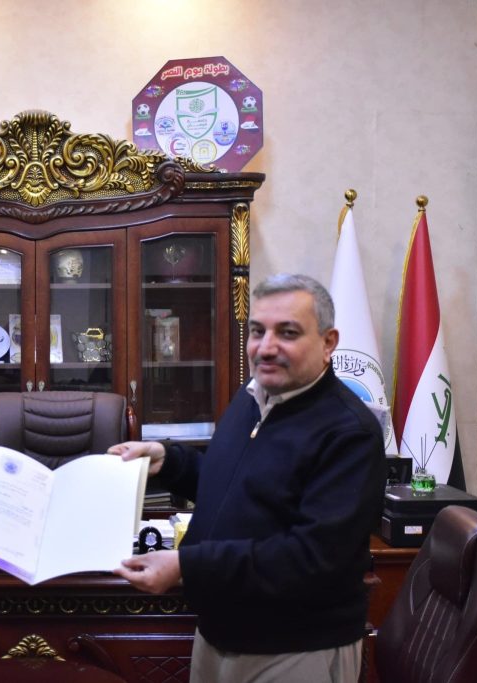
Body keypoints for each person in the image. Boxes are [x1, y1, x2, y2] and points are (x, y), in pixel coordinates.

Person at [111, 273, 386, 683]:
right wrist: (168, 462)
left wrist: (186, 564)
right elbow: (234, 485)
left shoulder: (349, 432)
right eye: (258, 331)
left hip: (295, 648)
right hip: (218, 634)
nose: (266, 347)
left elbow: (310, 558)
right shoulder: (253, 397)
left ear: (328, 342)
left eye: (288, 333)